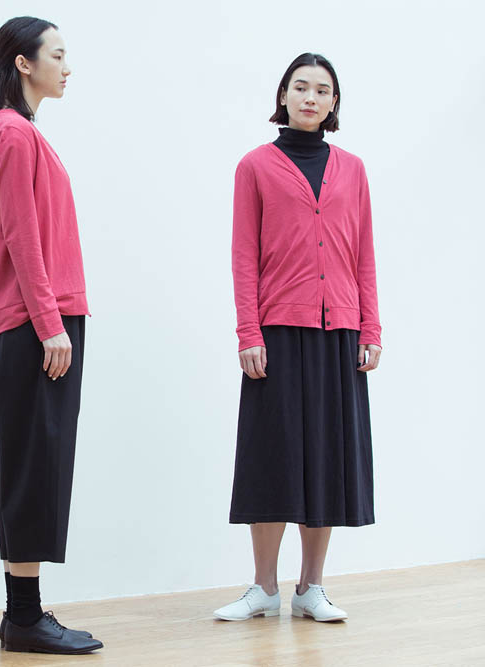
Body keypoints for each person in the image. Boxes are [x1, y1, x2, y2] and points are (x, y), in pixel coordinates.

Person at [214, 53, 382, 623]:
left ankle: (312, 587)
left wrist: (371, 326)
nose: (311, 98)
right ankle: (263, 587)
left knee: (325, 458)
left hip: (340, 330)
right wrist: (248, 330)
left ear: (334, 103)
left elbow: (363, 253)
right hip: (277, 330)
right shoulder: (255, 166)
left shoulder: (352, 169)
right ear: (283, 95)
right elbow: (243, 255)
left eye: (322, 90)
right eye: (301, 87)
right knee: (272, 455)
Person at [0, 16, 102, 654]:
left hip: (37, 320)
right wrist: (51, 326)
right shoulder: (13, 133)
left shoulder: (17, 132)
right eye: (57, 54)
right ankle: (23, 617)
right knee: (31, 465)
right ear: (23, 63)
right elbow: (21, 238)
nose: (66, 67)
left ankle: (25, 613)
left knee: (38, 464)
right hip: (34, 324)